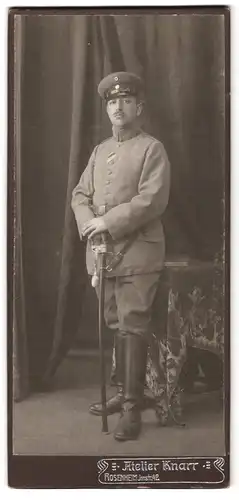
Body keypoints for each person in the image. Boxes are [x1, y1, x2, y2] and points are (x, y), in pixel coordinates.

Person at [71, 71, 170, 441]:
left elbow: (151, 200)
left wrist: (107, 221)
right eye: (112, 102)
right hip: (102, 253)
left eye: (125, 101)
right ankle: (126, 391)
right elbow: (80, 194)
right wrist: (89, 223)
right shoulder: (100, 150)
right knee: (114, 322)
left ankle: (132, 408)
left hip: (138, 253)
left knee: (132, 324)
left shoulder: (151, 148)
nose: (117, 107)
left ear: (138, 107)